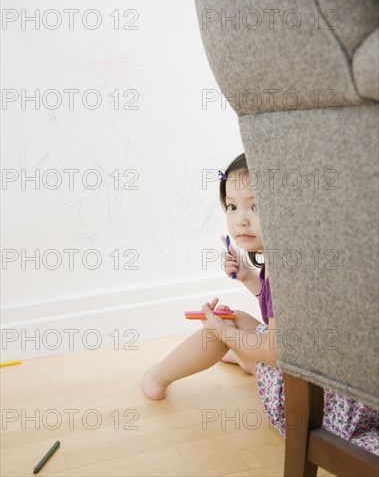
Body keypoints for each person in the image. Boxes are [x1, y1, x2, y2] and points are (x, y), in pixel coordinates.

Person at [142, 153, 379, 456]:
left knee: (225, 326)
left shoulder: (286, 269)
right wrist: (249, 278)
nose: (241, 218)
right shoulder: (297, 256)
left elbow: (278, 352)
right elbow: (282, 314)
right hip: (346, 384)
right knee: (238, 322)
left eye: (256, 206)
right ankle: (244, 357)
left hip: (316, 403)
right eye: (232, 206)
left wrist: (225, 333)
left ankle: (158, 377)